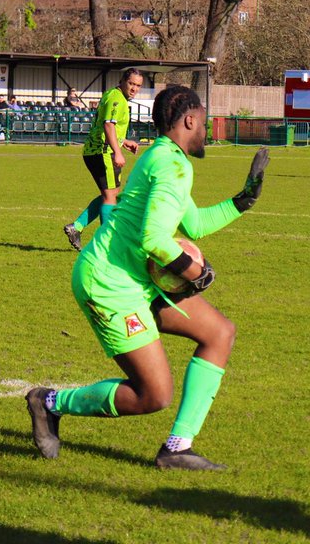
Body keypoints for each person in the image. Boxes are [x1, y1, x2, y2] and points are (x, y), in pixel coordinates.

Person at [26, 85, 271, 470]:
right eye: (203, 122)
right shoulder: (173, 165)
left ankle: (177, 447)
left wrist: (243, 202)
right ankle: (49, 402)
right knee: (153, 395)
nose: (205, 130)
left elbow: (193, 223)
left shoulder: (162, 155)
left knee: (218, 333)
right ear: (190, 120)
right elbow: (154, 239)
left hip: (137, 278)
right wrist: (197, 273)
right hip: (109, 284)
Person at [63, 69, 144, 250]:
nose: (134, 89)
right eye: (131, 83)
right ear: (123, 81)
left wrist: (124, 143)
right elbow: (108, 125)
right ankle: (106, 243)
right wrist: (117, 151)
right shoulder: (117, 99)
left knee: (112, 194)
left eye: (138, 85)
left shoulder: (114, 95)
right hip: (103, 152)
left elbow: (106, 126)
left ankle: (76, 227)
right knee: (110, 197)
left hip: (98, 150)